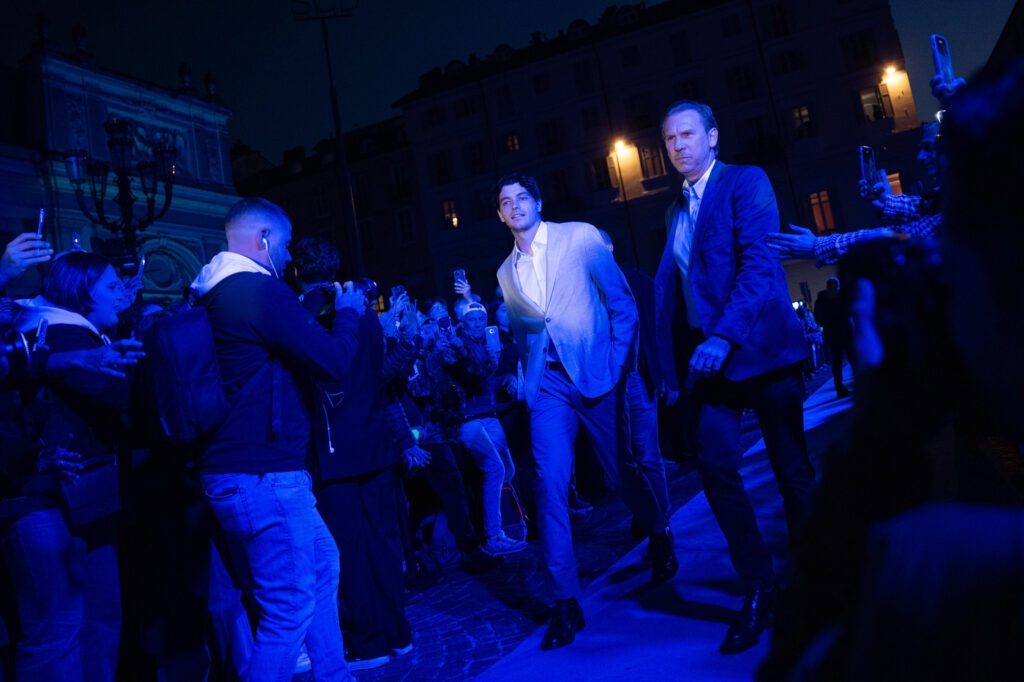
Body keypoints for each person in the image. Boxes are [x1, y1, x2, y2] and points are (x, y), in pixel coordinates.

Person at [654, 100, 815, 654]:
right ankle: (760, 587)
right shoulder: (673, 212)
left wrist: (723, 335)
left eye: (687, 134)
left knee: (791, 470)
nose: (677, 145)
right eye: (669, 138)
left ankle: (816, 582)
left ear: (713, 136)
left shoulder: (746, 182)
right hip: (713, 364)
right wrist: (673, 372)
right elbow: (675, 298)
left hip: (762, 348)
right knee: (716, 463)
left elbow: (758, 266)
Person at [494, 173, 675, 650]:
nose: (514, 207)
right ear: (499, 215)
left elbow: (622, 304)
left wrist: (617, 362)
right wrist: (523, 375)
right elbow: (525, 332)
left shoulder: (580, 236)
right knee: (549, 483)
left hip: (598, 375)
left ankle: (658, 532)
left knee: (621, 472)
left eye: (521, 198)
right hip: (548, 386)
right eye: (505, 202)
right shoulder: (504, 273)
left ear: (537, 201)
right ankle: (565, 602)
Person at [190, 198, 362, 682]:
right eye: (284, 246)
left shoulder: (210, 292)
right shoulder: (256, 290)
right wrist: (347, 313)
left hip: (240, 470)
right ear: (263, 239)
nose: (289, 259)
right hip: (264, 474)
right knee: (287, 611)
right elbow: (331, 361)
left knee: (324, 565)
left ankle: (334, 674)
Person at [2, 251, 142, 681]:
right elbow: (119, 399)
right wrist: (35, 454)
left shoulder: (71, 336)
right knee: (58, 629)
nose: (122, 292)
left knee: (99, 615)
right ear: (80, 292)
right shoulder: (57, 332)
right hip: (36, 491)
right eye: (111, 285)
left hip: (76, 488)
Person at [814, 278, 852, 397]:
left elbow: (817, 318)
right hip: (845, 331)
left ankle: (839, 388)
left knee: (836, 362)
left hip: (831, 334)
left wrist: (826, 325)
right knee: (853, 358)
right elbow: (849, 311)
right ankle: (861, 382)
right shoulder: (841, 295)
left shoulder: (821, 299)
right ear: (837, 285)